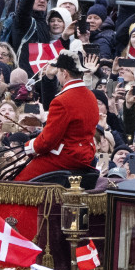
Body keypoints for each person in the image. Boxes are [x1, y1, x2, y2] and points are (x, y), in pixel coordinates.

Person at [15, 52, 100, 182]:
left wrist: (26, 147)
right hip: (86, 156)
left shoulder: (62, 100)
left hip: (66, 157)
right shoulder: (91, 96)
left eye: (59, 72)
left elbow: (47, 142)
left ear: (64, 73)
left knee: (19, 180)